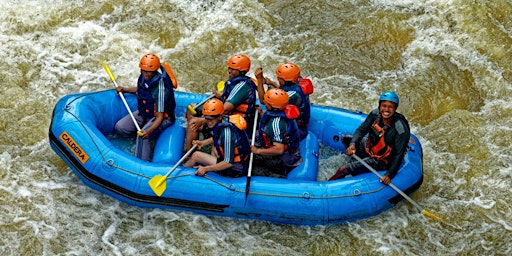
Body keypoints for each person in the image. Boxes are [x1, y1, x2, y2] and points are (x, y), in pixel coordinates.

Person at [328, 91, 410, 185]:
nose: (386, 110)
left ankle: (325, 189)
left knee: (343, 169)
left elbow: (398, 155)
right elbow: (361, 130)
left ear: (395, 108)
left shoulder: (400, 129)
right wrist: (352, 145)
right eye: (384, 106)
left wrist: (389, 175)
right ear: (380, 106)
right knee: (346, 139)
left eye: (390, 107)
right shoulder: (375, 114)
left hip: (382, 160)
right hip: (371, 148)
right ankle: (359, 166)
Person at [185, 54, 257, 150]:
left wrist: (203, 120)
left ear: (242, 71)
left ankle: (190, 153)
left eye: (233, 69)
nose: (229, 71)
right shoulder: (236, 81)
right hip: (225, 114)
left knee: (193, 124)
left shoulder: (242, 86)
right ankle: (196, 135)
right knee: (192, 107)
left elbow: (226, 109)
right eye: (229, 68)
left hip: (234, 121)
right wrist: (221, 95)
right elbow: (229, 98)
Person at [114, 53, 176, 161]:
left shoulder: (160, 88)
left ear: (155, 71)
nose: (145, 73)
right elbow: (140, 90)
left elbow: (160, 117)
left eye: (148, 71)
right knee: (120, 127)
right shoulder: (143, 77)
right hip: (145, 113)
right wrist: (125, 89)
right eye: (143, 70)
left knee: (142, 137)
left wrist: (149, 131)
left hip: (162, 117)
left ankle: (141, 163)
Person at [183, 98, 251, 178]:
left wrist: (206, 169)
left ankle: (182, 170)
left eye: (212, 118)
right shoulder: (224, 120)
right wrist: (204, 142)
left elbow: (228, 162)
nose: (209, 122)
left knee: (196, 155)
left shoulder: (227, 133)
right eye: (207, 118)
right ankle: (215, 171)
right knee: (214, 147)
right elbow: (217, 137)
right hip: (236, 161)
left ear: (220, 116)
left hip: (235, 168)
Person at [250, 88, 303, 176]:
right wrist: (262, 113)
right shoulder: (279, 110)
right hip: (279, 144)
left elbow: (279, 149)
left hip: (285, 158)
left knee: (255, 165)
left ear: (273, 107)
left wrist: (258, 151)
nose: (264, 103)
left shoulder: (276, 124)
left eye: (267, 102)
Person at [254, 63, 310, 139]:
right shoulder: (296, 80)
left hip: (298, 130)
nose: (277, 79)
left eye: (279, 78)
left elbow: (263, 101)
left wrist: (260, 81)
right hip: (298, 121)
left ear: (286, 81)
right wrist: (272, 83)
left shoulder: (293, 95)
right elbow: (284, 91)